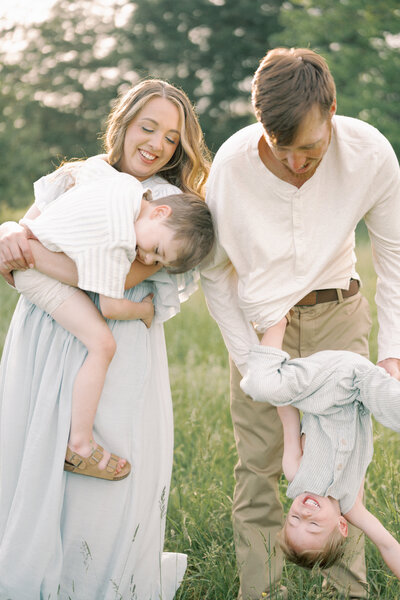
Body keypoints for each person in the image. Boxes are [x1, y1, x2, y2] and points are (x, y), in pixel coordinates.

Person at [200, 47, 400, 600]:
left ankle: (348, 592)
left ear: (331, 109)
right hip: (266, 331)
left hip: (340, 316)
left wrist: (392, 354)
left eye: (309, 149)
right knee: (261, 466)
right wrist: (252, 363)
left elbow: (394, 256)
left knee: (339, 474)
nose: (295, 163)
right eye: (280, 149)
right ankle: (257, 591)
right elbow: (215, 275)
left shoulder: (372, 155)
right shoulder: (232, 167)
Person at [0, 79, 210, 599]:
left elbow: (111, 282)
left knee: (101, 472)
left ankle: (93, 581)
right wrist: (10, 231)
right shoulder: (80, 177)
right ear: (124, 124)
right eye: (149, 128)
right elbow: (26, 239)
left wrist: (28, 251)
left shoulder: (164, 205)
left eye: (171, 138)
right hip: (45, 334)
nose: (158, 144)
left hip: (113, 351)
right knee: (33, 455)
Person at [13, 158, 214, 482]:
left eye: (159, 261)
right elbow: (110, 306)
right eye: (157, 249)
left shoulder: (125, 189)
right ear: (161, 212)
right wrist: (143, 311)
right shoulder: (120, 238)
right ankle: (79, 443)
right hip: (37, 273)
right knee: (103, 344)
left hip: (40, 248)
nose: (147, 259)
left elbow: (85, 170)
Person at [240, 315, 400, 579]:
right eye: (313, 525)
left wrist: (280, 383)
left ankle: (277, 322)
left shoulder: (296, 473)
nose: (303, 513)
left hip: (321, 382)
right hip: (361, 386)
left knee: (260, 386)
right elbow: (387, 544)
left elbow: (288, 419)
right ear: (341, 526)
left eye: (294, 519)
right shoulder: (351, 505)